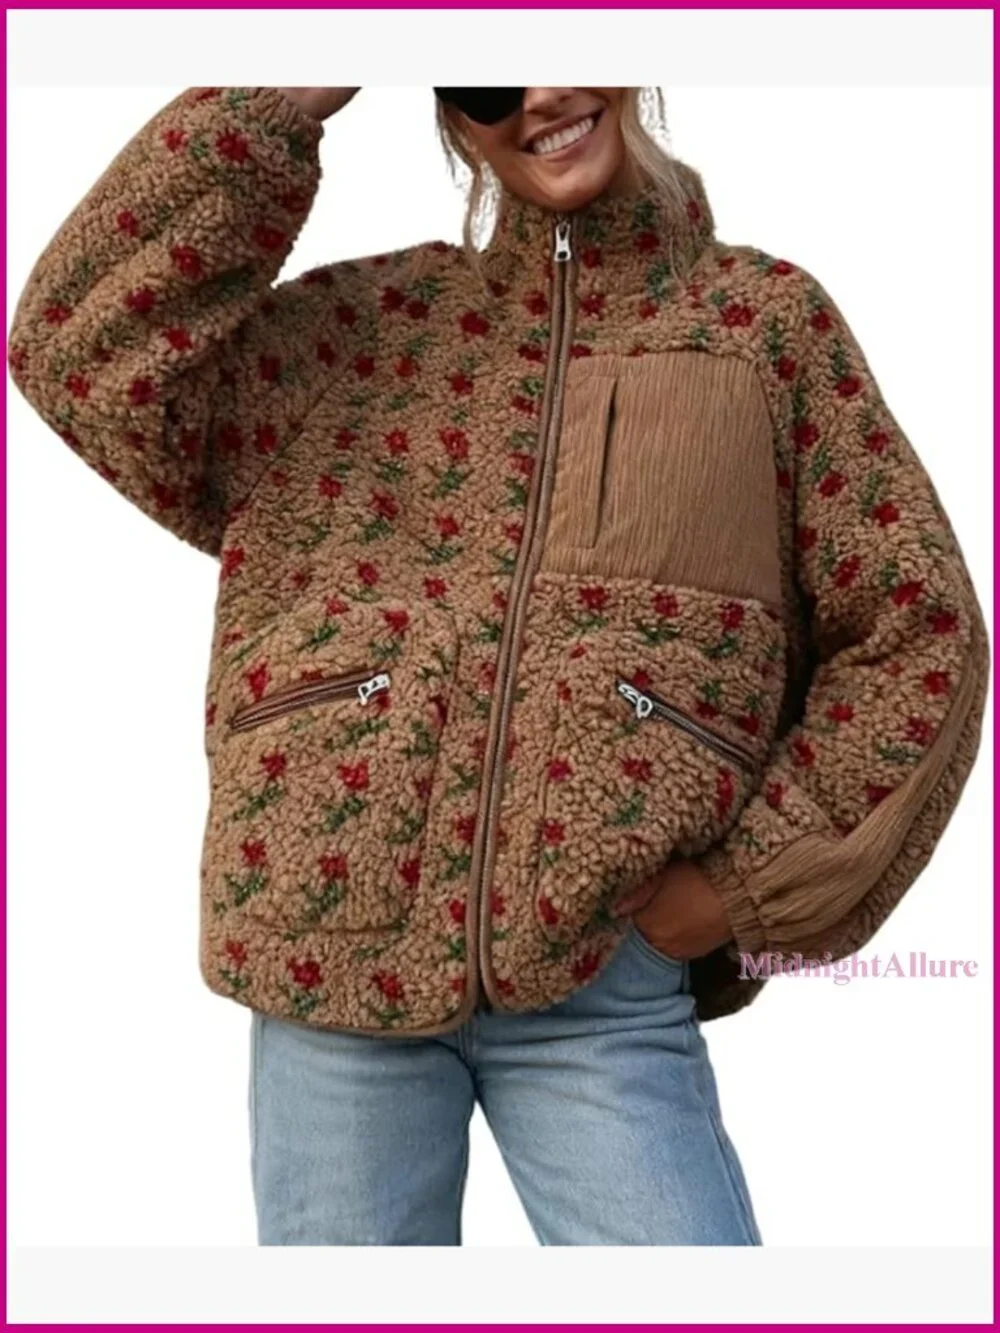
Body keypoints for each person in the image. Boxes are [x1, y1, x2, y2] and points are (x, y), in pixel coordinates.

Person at [8, 85, 989, 1247]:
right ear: (450, 117)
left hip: (602, 981)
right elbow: (78, 351)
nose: (539, 97)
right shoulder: (361, 327)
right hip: (329, 965)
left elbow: (917, 630)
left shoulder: (758, 329)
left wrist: (745, 890)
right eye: (486, 78)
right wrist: (286, 89)